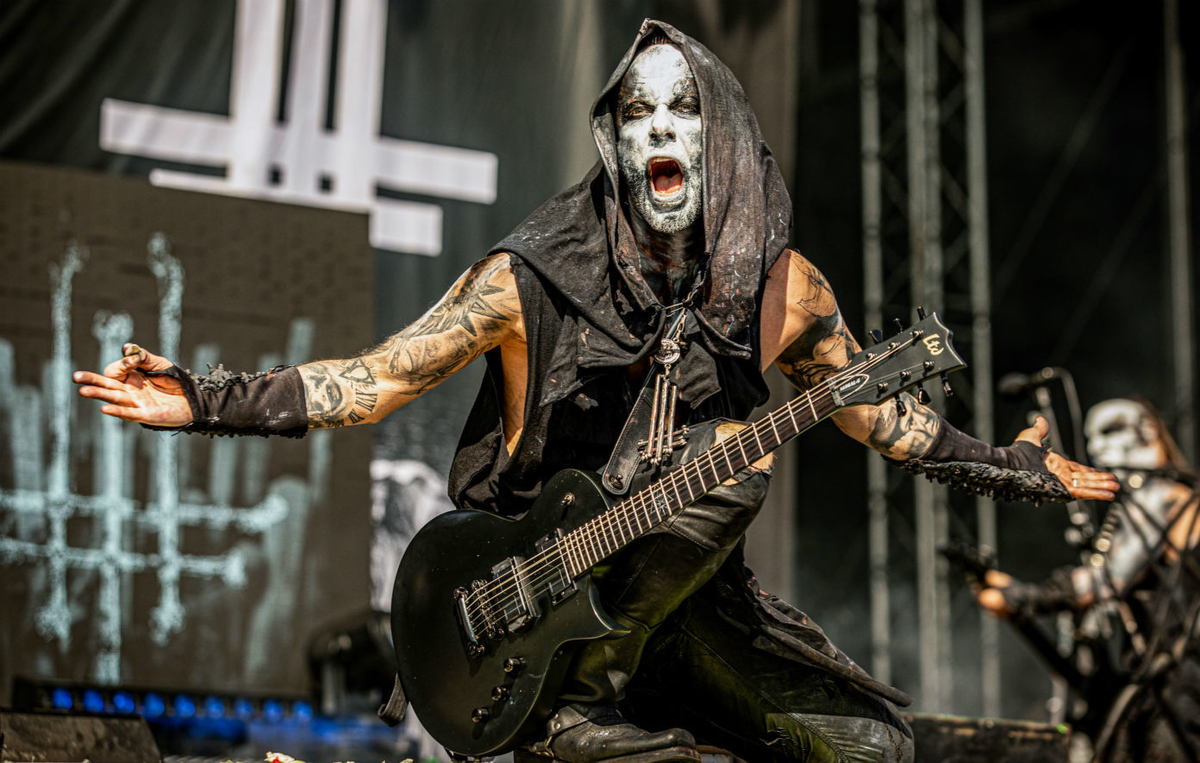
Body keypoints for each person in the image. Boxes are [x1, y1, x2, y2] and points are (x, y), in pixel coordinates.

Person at [74, 20, 1117, 763]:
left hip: (682, 610)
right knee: (734, 466)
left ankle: (621, 694)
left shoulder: (782, 292)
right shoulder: (529, 278)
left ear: (719, 138)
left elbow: (880, 413)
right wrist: (205, 398)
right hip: (525, 613)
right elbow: (377, 378)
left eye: (683, 110)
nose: (659, 130)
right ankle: (574, 703)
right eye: (636, 112)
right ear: (613, 141)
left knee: (872, 747)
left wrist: (1014, 466)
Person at [972, 398, 1199, 763]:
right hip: (1156, 678)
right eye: (1093, 437)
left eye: (1110, 432)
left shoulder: (1166, 497)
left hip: (1181, 681)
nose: (1098, 448)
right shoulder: (1149, 500)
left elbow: (1105, 581)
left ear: (1148, 432)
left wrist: (1022, 596)